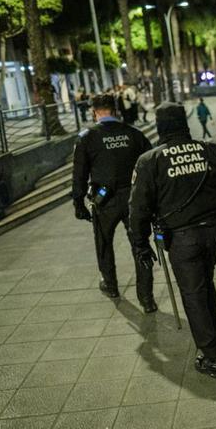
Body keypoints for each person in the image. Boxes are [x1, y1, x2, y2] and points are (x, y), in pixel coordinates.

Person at [128, 102, 216, 378]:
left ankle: (212, 356)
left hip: (182, 238)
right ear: (184, 122)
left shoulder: (150, 160)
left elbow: (138, 209)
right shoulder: (210, 150)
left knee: (193, 294)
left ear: (160, 127)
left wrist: (139, 243)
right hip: (213, 233)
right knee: (204, 284)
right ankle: (213, 338)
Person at [71, 94, 155, 309]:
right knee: (140, 245)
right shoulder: (134, 134)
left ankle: (111, 284)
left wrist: (78, 203)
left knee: (104, 243)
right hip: (134, 200)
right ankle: (146, 299)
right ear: (115, 110)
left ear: (94, 111)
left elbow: (79, 174)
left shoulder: (87, 137)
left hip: (104, 200)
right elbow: (151, 167)